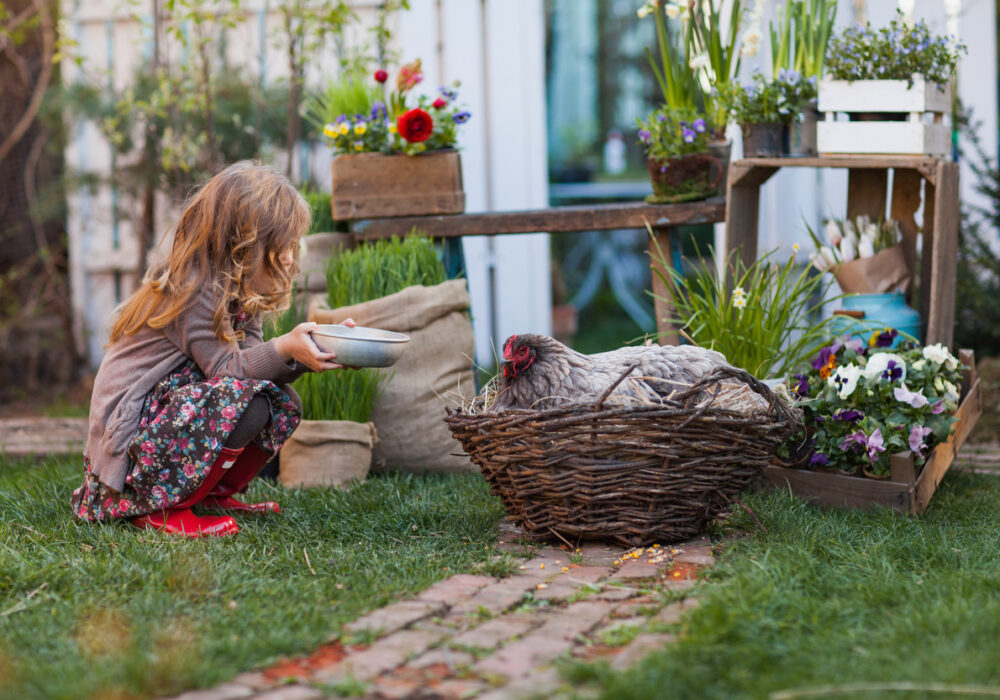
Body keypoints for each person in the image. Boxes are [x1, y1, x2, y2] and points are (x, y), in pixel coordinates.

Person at [72, 161, 353, 537]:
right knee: (248, 405)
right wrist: (285, 346)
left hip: (165, 413)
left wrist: (309, 351)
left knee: (279, 401)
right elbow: (226, 370)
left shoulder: (240, 290)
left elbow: (254, 368)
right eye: (280, 244)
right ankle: (163, 508)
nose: (289, 257)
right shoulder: (193, 288)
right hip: (131, 439)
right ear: (242, 242)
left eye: (291, 244)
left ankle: (209, 495)